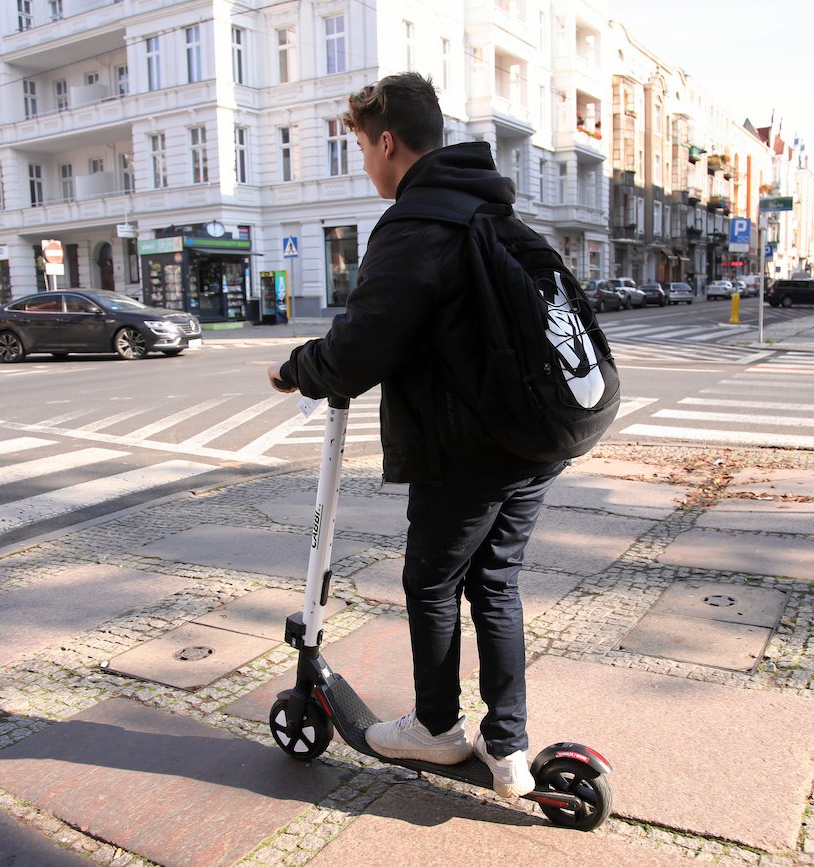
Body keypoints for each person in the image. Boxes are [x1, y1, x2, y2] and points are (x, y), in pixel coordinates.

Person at [267, 72, 565, 799]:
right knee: (496, 583)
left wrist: (297, 369)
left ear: (389, 141)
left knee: (431, 581)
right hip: (536, 436)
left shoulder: (416, 221)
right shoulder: (493, 212)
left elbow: (362, 345)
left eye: (364, 148)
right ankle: (508, 746)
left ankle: (436, 726)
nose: (365, 163)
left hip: (469, 447)